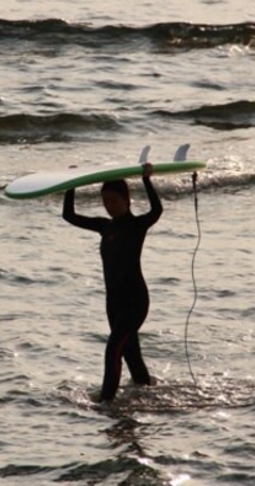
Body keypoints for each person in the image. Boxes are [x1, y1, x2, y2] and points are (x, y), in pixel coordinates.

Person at [62, 163, 162, 402]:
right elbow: (69, 216)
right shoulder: (104, 226)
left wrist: (146, 180)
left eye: (114, 201)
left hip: (135, 300)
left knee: (112, 350)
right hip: (114, 303)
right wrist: (71, 184)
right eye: (106, 201)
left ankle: (106, 403)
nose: (109, 206)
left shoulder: (137, 225)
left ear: (127, 200)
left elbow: (157, 211)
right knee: (130, 354)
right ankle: (146, 391)